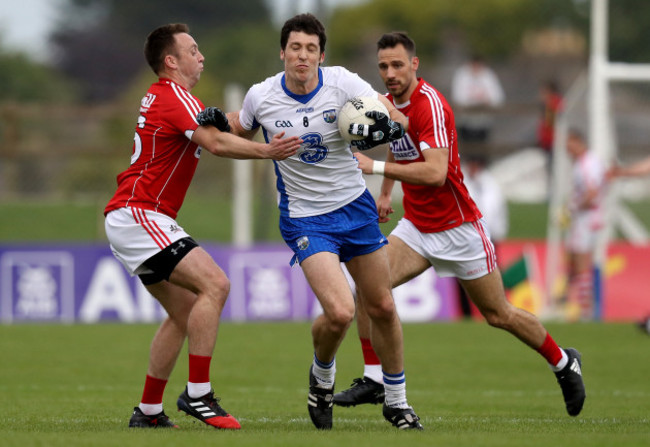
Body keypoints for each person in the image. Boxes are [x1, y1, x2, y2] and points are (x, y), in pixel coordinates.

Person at [336, 32, 586, 418]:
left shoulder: (431, 105)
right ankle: (375, 378)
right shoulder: (385, 105)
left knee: (499, 314)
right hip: (417, 228)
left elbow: (436, 174)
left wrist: (376, 169)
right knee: (369, 288)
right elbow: (395, 141)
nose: (390, 73)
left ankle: (563, 361)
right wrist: (386, 192)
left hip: (458, 228)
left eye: (397, 64)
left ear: (414, 64)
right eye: (384, 66)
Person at [201, 13, 421, 431]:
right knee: (340, 312)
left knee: (383, 306)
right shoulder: (262, 95)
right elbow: (241, 129)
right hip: (306, 219)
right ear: (282, 52)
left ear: (322, 55)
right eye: (295, 48)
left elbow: (398, 119)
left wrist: (380, 126)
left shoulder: (344, 84)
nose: (303, 56)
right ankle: (322, 378)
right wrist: (214, 119)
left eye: (311, 49)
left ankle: (397, 401)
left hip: (355, 209)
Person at [104, 23, 302, 430]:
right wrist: (269, 150)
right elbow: (215, 143)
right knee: (216, 285)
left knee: (184, 311)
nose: (202, 56)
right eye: (193, 50)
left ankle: (148, 411)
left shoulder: (172, 98)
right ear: (171, 61)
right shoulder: (173, 95)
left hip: (133, 216)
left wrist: (254, 115)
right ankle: (198, 395)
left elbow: (221, 125)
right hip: (141, 212)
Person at [458, 154, 509, 317]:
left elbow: (496, 211)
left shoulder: (490, 184)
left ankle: (498, 308)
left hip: (488, 236)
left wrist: (497, 233)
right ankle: (466, 312)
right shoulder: (462, 180)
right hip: (466, 235)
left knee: (491, 273)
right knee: (462, 274)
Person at [563, 129, 606, 321]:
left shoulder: (587, 163)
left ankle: (586, 310)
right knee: (573, 258)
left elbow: (591, 194)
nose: (566, 148)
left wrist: (572, 207)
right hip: (585, 217)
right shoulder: (584, 162)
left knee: (581, 263)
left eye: (569, 143)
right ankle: (568, 300)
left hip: (587, 217)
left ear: (577, 141)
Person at [451, 54, 504, 146]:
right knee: (467, 149)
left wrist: (483, 101)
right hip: (465, 122)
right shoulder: (462, 75)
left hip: (483, 122)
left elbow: (498, 98)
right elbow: (458, 98)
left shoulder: (488, 75)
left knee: (481, 152)